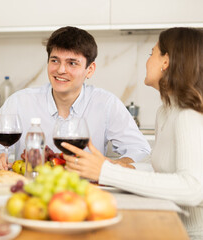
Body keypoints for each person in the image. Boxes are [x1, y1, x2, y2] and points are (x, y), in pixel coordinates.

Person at [62, 27, 203, 239]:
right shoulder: (165, 112)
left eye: (152, 53)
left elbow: (193, 188)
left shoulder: (188, 115)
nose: (148, 61)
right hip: (170, 222)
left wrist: (105, 172)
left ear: (166, 62)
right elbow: (165, 169)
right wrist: (117, 165)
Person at [0, 26, 151, 170]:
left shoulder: (106, 103)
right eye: (55, 60)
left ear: (89, 70)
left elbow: (141, 151)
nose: (61, 70)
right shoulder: (19, 102)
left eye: (72, 63)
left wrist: (112, 166)